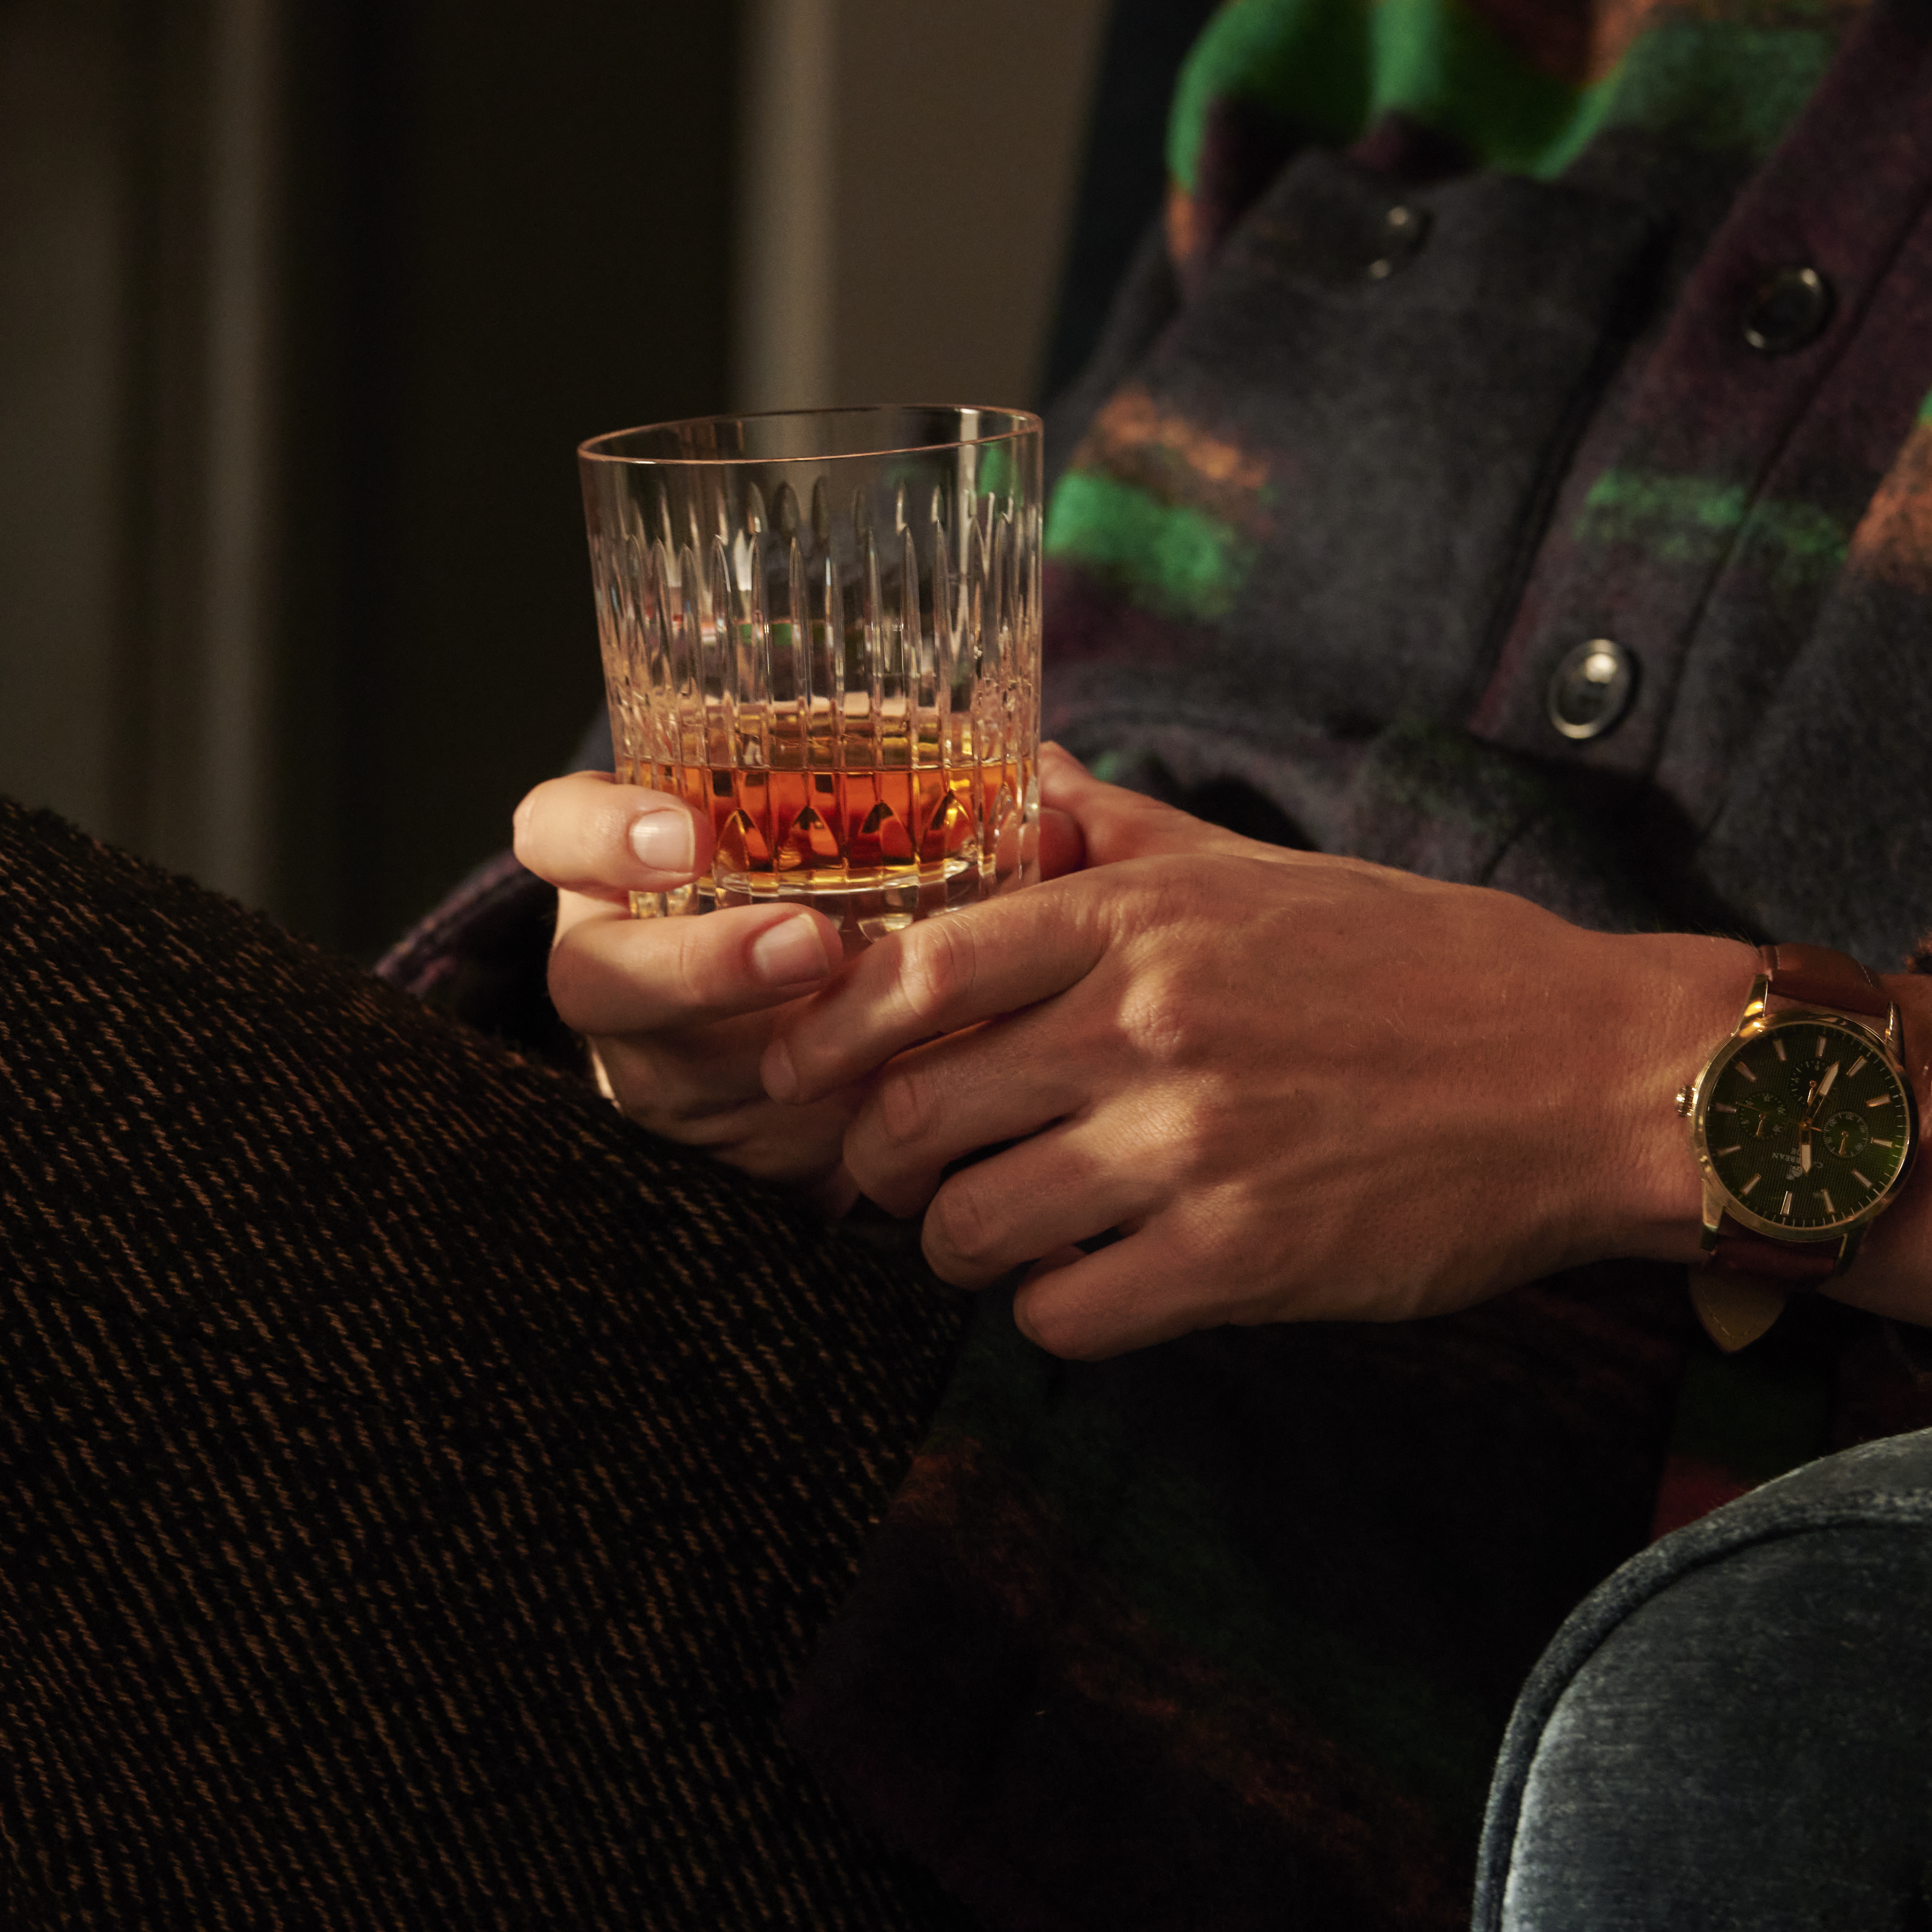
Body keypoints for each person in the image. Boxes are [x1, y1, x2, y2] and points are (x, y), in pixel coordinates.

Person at [8, 0, 1932, 1926]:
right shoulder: (1356, 40)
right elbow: (972, 725)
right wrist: (718, 1030)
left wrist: (1611, 1085)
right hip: (871, 1329)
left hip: (1391, 1625)